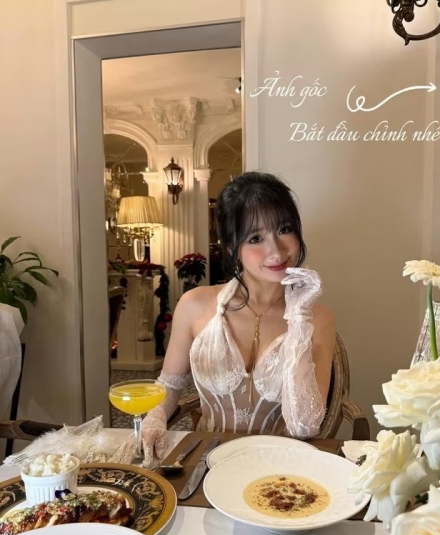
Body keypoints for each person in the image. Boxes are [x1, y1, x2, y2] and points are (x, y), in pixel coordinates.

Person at [114, 172, 336, 467]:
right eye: (255, 238)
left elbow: (304, 425)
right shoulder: (194, 305)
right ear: (232, 247)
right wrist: (155, 416)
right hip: (205, 462)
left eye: (284, 229)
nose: (276, 250)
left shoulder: (317, 319)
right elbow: (170, 385)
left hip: (280, 471)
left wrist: (298, 317)